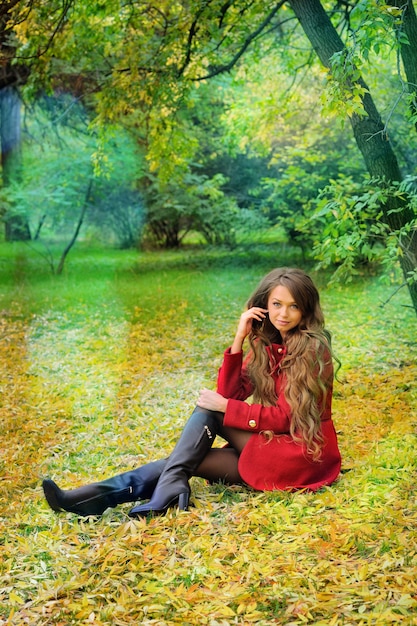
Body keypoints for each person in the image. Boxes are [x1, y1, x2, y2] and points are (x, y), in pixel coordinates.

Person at [42, 267, 341, 518]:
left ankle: (166, 488)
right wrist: (239, 338)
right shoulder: (267, 343)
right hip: (272, 449)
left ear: (306, 309)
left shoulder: (312, 350)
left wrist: (223, 406)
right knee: (184, 462)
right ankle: (88, 499)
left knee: (209, 412)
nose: (284, 314)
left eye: (293, 306)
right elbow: (229, 392)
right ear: (263, 305)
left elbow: (284, 418)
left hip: (300, 453)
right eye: (276, 304)